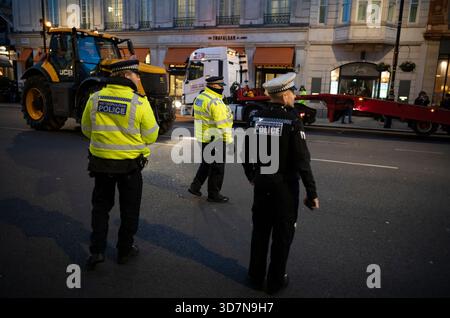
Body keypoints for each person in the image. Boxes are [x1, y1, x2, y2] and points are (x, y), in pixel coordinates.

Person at [242, 72, 319, 294]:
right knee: (282, 235)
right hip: (285, 187)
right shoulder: (293, 121)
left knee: (260, 233)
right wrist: (311, 192)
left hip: (263, 184)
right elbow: (302, 161)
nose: (294, 97)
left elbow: (246, 153)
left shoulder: (255, 118)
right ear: (285, 96)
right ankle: (275, 281)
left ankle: (255, 276)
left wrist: (252, 177)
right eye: (292, 94)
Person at [81, 60, 159, 270]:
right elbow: (152, 136)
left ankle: (97, 251)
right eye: (136, 75)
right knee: (129, 209)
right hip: (130, 167)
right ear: (126, 76)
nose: (139, 78)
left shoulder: (95, 98)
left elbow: (86, 129)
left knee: (100, 208)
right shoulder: (139, 103)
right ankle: (124, 251)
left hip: (101, 165)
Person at [188, 76, 233, 203]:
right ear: (213, 86)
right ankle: (213, 194)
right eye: (220, 86)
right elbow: (222, 124)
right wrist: (228, 141)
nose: (222, 88)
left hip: (204, 136)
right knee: (217, 168)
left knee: (207, 163)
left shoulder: (200, 97)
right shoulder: (215, 102)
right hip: (216, 138)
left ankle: (195, 186)